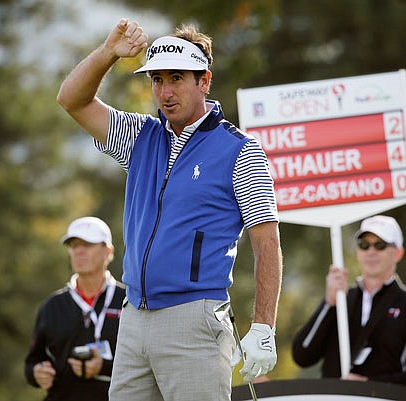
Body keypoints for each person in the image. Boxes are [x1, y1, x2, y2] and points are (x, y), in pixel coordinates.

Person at [56, 19, 283, 401]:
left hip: (194, 321)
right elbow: (72, 99)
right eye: (157, 80)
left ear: (204, 81)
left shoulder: (239, 150)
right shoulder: (140, 137)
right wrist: (109, 52)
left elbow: (267, 239)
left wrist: (264, 326)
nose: (165, 91)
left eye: (176, 78)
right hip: (134, 320)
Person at [292, 215, 406, 391]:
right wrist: (327, 303)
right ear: (357, 252)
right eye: (364, 245)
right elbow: (302, 356)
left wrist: (370, 385)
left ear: (398, 253)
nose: (371, 251)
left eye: (380, 245)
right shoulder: (340, 299)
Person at [24, 216, 127, 401]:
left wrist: (103, 366)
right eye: (73, 245)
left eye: (87, 244)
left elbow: (148, 363)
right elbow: (32, 362)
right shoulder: (52, 305)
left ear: (108, 251)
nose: (78, 251)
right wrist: (37, 373)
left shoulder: (128, 301)